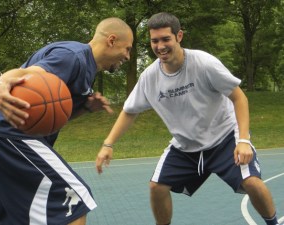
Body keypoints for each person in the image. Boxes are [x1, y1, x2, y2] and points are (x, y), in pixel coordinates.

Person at [95, 12, 280, 225]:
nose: (160, 46)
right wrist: (108, 144)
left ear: (179, 36)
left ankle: (274, 223)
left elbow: (239, 98)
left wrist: (244, 140)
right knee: (156, 187)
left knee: (252, 182)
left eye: (166, 39)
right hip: (185, 147)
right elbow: (130, 111)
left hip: (225, 138)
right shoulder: (150, 77)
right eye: (155, 41)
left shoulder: (203, 63)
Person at [0, 17, 133, 225]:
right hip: (12, 134)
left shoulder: (85, 67)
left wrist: (87, 107)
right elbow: (28, 75)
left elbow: (52, 116)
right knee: (75, 202)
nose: (127, 56)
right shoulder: (72, 56)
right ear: (111, 40)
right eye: (127, 49)